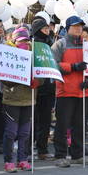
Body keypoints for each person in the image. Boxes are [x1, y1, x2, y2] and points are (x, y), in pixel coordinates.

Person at [51, 15, 88, 167]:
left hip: (83, 91)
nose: (78, 29)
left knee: (80, 125)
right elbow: (53, 65)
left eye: (80, 26)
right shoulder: (60, 45)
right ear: (68, 28)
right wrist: (73, 67)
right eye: (75, 26)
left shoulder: (87, 45)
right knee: (62, 124)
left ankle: (77, 155)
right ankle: (60, 155)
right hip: (65, 91)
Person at [1, 27, 39, 172]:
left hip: (29, 99)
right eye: (21, 41)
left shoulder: (34, 55)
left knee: (25, 133)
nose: (25, 43)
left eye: (27, 40)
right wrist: (21, 78)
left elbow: (41, 74)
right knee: (11, 132)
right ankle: (8, 160)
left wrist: (37, 81)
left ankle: (22, 159)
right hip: (12, 100)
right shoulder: (8, 54)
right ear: (14, 41)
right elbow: (3, 78)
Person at [32, 17, 56, 160]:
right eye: (44, 28)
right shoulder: (31, 44)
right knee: (32, 120)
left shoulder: (51, 44)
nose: (48, 30)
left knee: (46, 120)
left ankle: (42, 149)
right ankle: (28, 150)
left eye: (48, 28)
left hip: (49, 87)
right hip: (34, 88)